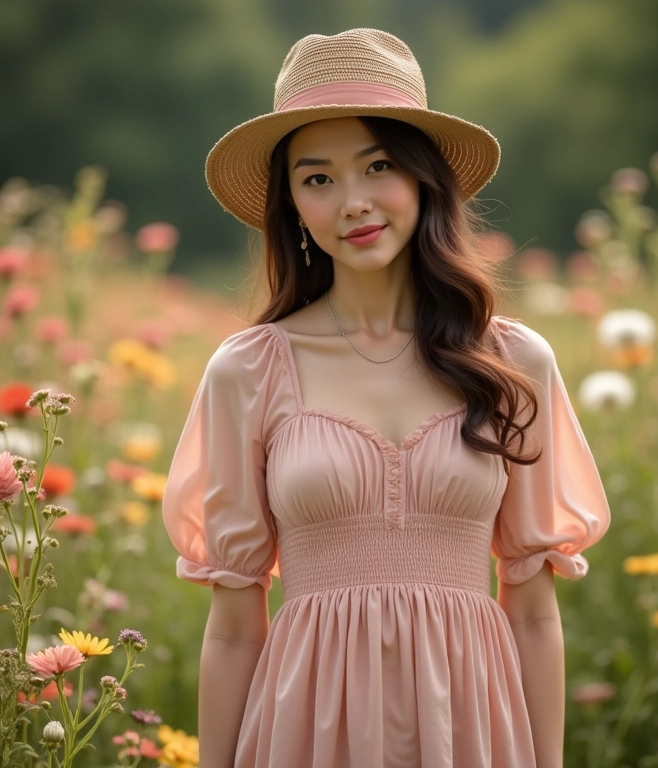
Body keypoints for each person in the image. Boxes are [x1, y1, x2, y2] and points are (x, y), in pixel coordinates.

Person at [162, 28, 610, 768]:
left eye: (378, 165)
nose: (354, 202)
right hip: (305, 733)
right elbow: (236, 627)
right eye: (318, 179)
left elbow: (531, 612)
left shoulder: (511, 360)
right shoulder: (248, 371)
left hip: (473, 729)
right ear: (292, 208)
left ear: (423, 176)